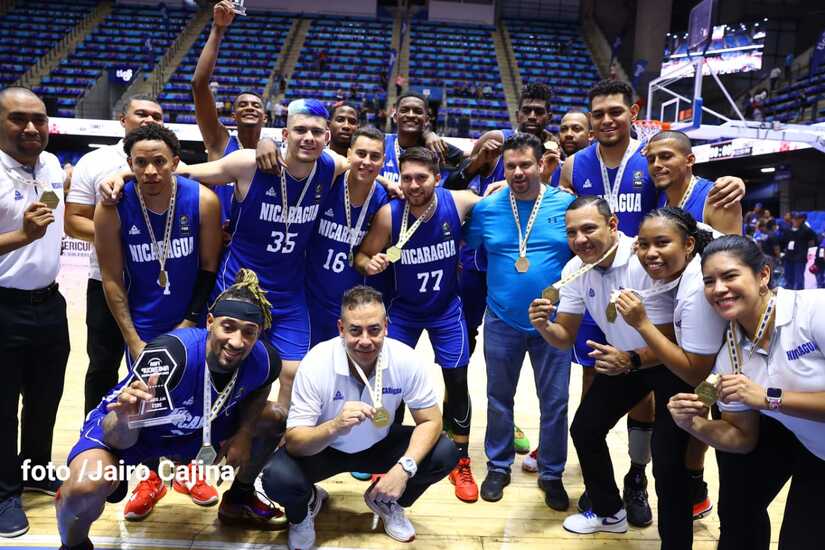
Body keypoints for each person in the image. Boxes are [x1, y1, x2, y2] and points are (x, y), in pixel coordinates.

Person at [558, 80, 744, 521]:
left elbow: (735, 269)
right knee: (656, 409)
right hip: (661, 318)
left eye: (667, 158)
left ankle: (696, 487)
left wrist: (734, 180)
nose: (658, 164)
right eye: (653, 158)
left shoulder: (712, 195)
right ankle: (650, 487)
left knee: (706, 416)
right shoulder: (659, 195)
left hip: (718, 336)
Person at [116, 99, 349, 416]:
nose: (308, 137)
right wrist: (122, 176)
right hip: (237, 284)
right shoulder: (247, 163)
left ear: (327, 138)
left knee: (293, 374)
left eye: (316, 132)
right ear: (285, 134)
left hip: (288, 291)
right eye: (300, 130)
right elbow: (184, 171)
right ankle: (213, 429)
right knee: (226, 368)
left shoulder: (331, 166)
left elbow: (362, 167)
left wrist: (389, 182)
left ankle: (279, 440)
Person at [55, 270, 289, 550]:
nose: (237, 341)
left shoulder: (264, 360)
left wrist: (244, 433)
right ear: (210, 322)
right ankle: (74, 545)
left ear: (259, 333)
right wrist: (128, 420)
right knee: (83, 487)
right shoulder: (171, 355)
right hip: (136, 434)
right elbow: (116, 438)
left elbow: (262, 385)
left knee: (275, 419)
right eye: (228, 327)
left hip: (198, 429)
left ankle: (239, 499)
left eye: (249, 332)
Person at [528, 197, 695, 548]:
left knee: (669, 463)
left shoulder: (644, 259)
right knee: (585, 429)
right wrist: (544, 325)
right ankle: (609, 513)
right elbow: (565, 337)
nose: (580, 239)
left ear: (613, 225)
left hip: (669, 364)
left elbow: (675, 337)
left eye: (589, 228)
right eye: (572, 232)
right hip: (625, 361)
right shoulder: (575, 268)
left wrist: (631, 359)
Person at [261, 285, 459, 550]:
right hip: (324, 448)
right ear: (341, 328)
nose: (365, 340)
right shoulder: (316, 362)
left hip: (379, 442)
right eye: (355, 330)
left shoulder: (405, 359)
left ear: (386, 326)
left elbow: (431, 421)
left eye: (374, 329)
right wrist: (334, 426)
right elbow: (295, 442)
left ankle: (388, 502)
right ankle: (304, 508)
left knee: (444, 452)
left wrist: (404, 468)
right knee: (276, 477)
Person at [94, 123, 223, 518]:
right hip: (145, 326)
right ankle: (150, 477)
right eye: (141, 163)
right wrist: (132, 338)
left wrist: (190, 320)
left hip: (192, 324)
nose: (150, 170)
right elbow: (111, 279)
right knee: (146, 406)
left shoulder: (202, 200)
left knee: (197, 397)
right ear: (130, 165)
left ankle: (188, 470)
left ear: (175, 162)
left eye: (159, 162)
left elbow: (209, 267)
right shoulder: (112, 207)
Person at [668, 235, 825, 550]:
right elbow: (742, 439)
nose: (719, 289)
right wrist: (692, 424)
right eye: (709, 281)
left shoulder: (814, 310)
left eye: (730, 276)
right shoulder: (731, 354)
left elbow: (767, 399)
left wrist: (769, 398)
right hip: (817, 453)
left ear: (763, 275)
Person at [356, 147, 481, 503]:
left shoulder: (457, 202)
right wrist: (370, 263)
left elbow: (495, 199)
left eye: (421, 178)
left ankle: (460, 459)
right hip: (403, 311)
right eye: (407, 178)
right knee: (389, 382)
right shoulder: (389, 214)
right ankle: (383, 452)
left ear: (437, 178)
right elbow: (362, 255)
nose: (413, 185)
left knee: (457, 381)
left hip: (445, 310)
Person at [464, 133, 574, 509]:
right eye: (510, 166)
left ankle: (552, 473)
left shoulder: (566, 205)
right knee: (498, 398)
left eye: (525, 164)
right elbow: (467, 246)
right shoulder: (488, 208)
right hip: (501, 317)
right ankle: (498, 466)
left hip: (553, 321)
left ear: (542, 164)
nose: (518, 172)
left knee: (555, 401)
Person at [65, 95, 165, 416]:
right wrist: (121, 239)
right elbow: (73, 222)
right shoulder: (94, 162)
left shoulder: (169, 163)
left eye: (156, 116)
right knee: (103, 365)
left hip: (156, 285)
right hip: (106, 281)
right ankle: (94, 434)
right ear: (123, 120)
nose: (149, 120)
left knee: (157, 367)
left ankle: (151, 437)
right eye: (141, 113)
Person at [0, 87, 69, 538]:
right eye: (18, 119)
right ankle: (4, 493)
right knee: (3, 407)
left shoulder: (51, 165)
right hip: (3, 305)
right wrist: (21, 237)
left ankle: (36, 469)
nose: (31, 128)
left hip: (50, 302)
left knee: (45, 399)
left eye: (39, 119)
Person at [306, 126, 389, 346]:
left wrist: (385, 259)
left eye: (375, 157)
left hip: (351, 306)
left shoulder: (384, 200)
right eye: (361, 154)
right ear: (349, 154)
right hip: (309, 298)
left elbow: (398, 248)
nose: (367, 162)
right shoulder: (329, 182)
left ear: (383, 161)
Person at [191, 0, 269, 223]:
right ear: (233, 116)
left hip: (254, 238)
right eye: (242, 105)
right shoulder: (220, 141)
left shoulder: (272, 152)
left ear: (265, 117)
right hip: (217, 235)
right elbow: (199, 84)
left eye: (256, 105)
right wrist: (217, 29)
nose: (250, 107)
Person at [648, 130, 743, 235]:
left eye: (665, 157)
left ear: (689, 160)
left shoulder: (719, 197)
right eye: (651, 160)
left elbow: (734, 246)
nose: (656, 164)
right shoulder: (657, 195)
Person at [380, 92, 463, 186]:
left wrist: (428, 133)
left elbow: (468, 158)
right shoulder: (381, 142)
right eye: (404, 110)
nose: (411, 115)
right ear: (395, 117)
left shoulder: (435, 147)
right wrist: (386, 183)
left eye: (418, 112)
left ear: (426, 120)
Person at [780, 212, 816, 290]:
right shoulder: (787, 230)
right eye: (794, 219)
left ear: (801, 220)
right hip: (789, 257)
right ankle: (789, 294)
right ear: (792, 219)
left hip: (800, 258)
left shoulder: (806, 230)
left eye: (798, 219)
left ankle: (800, 295)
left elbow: (814, 239)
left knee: (799, 279)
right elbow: (782, 242)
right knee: (788, 278)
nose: (796, 221)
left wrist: (809, 249)